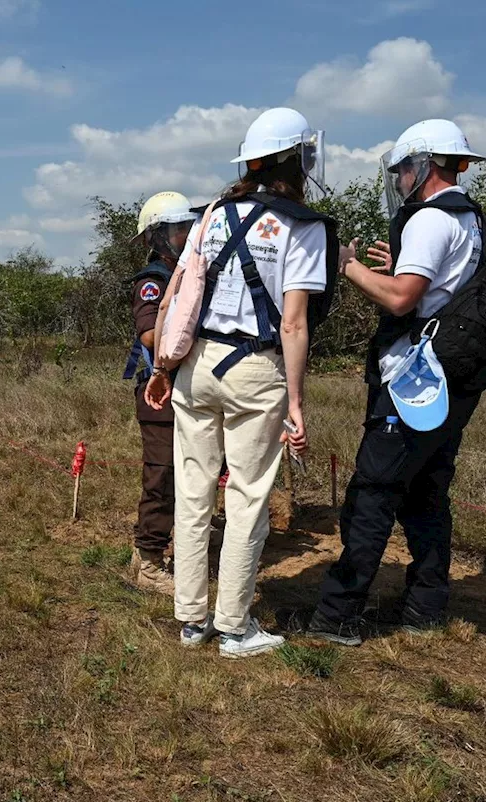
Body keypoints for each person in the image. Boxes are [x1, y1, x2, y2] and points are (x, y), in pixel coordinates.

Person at [145, 107, 337, 658]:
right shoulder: (303, 227)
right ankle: (233, 626)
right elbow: (295, 321)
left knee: (193, 488)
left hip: (197, 366)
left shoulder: (212, 215)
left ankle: (189, 619)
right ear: (299, 159)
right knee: (248, 496)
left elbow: (184, 297)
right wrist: (296, 400)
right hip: (257, 369)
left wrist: (164, 367)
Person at [308, 119, 486, 645]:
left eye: (401, 170)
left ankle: (339, 615)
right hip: (456, 382)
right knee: (429, 492)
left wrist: (347, 266)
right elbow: (445, 289)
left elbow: (401, 300)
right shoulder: (478, 224)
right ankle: (425, 608)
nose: (397, 181)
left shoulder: (429, 221)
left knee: (373, 493)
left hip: (414, 380)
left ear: (423, 166)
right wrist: (400, 269)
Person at [123, 192, 197, 595]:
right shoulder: (153, 282)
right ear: (157, 237)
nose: (184, 235)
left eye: (187, 227)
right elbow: (151, 335)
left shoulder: (188, 273)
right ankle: (151, 563)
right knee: (162, 474)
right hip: (157, 391)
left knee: (178, 473)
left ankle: (145, 548)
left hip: (182, 386)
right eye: (176, 229)